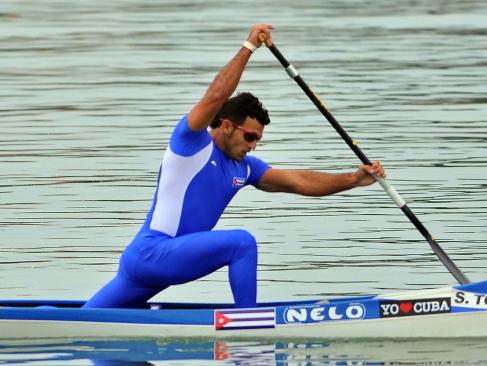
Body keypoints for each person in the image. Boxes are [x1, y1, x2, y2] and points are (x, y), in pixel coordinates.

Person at [83, 24, 385, 309]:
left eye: (258, 139)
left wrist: (353, 180)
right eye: (250, 136)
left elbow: (299, 182)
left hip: (146, 264)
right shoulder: (191, 143)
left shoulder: (245, 167)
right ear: (227, 126)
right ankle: (248, 324)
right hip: (152, 253)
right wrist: (250, 46)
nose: (254, 145)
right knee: (242, 243)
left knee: (84, 319)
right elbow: (216, 96)